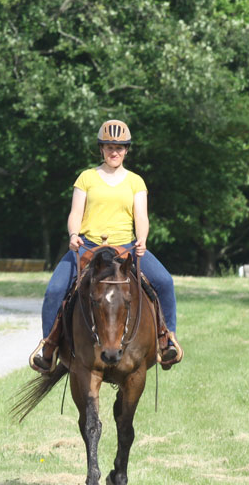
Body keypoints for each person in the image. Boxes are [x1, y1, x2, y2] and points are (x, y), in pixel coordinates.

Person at [30, 119, 182, 374]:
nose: (115, 152)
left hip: (127, 248)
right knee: (55, 290)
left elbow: (141, 216)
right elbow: (75, 212)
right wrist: (73, 234)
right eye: (110, 147)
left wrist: (142, 239)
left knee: (165, 282)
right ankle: (49, 347)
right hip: (87, 246)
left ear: (127, 150)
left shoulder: (135, 181)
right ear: (101, 149)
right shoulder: (87, 177)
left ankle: (167, 340)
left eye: (120, 148)